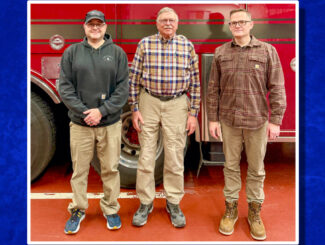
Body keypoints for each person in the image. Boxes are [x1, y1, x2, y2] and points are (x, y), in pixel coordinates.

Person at [207, 9, 286, 240]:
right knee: (230, 167)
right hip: (229, 121)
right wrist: (213, 118)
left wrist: (276, 120)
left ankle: (254, 212)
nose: (238, 26)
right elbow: (213, 89)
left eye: (242, 22)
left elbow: (277, 87)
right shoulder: (221, 52)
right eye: (234, 23)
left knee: (256, 169)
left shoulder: (267, 51)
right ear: (230, 27)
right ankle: (230, 210)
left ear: (251, 24)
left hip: (257, 122)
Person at [129, 7, 200, 228]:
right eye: (163, 20)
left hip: (178, 104)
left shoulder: (187, 45)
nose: (167, 23)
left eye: (171, 20)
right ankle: (145, 202)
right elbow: (134, 78)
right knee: (146, 155)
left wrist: (193, 113)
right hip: (149, 102)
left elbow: (196, 82)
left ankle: (173, 202)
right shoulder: (145, 44)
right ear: (157, 24)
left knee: (175, 156)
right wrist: (135, 108)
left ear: (177, 24)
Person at [58, 10, 129, 234]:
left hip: (110, 124)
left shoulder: (117, 53)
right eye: (91, 24)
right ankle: (78, 210)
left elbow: (122, 89)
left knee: (110, 168)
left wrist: (101, 111)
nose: (95, 28)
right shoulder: (72, 52)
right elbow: (65, 87)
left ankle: (110, 208)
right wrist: (84, 112)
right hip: (80, 124)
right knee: (80, 170)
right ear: (84, 27)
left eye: (99, 24)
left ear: (105, 27)